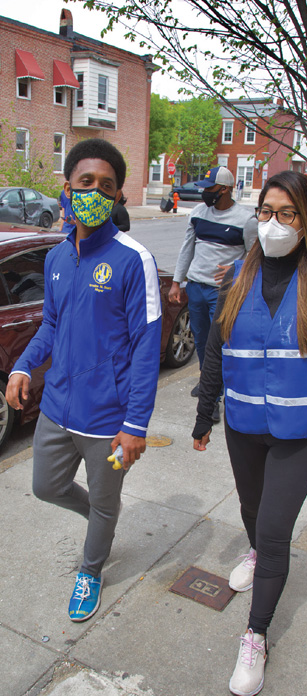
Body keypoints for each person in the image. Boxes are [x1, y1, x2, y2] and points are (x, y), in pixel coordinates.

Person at [192, 170, 307, 696]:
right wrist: (205, 414)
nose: (274, 223)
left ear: (306, 220)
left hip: (302, 433)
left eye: (287, 214)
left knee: (274, 528)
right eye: (266, 212)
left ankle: (255, 634)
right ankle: (257, 551)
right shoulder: (236, 274)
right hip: (243, 424)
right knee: (251, 512)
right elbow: (217, 350)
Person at [6, 138, 162, 623]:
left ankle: (90, 569)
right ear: (68, 189)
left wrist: (136, 425)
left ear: (117, 197)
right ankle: (101, 516)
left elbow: (146, 348)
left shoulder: (134, 259)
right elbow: (51, 325)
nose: (95, 191)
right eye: (86, 183)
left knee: (105, 504)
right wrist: (21, 366)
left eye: (107, 186)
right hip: (56, 408)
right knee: (46, 487)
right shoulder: (56, 258)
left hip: (107, 420)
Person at [169, 166, 256, 423]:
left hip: (224, 291)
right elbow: (187, 249)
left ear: (225, 189)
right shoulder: (197, 214)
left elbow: (254, 257)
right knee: (202, 340)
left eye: (210, 188)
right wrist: (176, 282)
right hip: (196, 286)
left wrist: (236, 269)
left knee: (219, 343)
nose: (205, 192)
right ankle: (209, 383)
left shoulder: (246, 220)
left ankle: (214, 397)